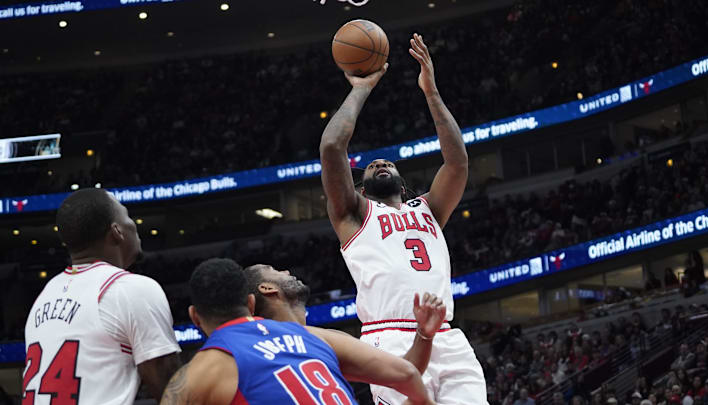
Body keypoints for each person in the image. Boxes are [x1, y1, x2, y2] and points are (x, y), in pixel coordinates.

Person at [319, 32, 485, 404]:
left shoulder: (429, 209)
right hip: (389, 337)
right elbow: (332, 147)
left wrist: (431, 92)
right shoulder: (354, 215)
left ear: (403, 183)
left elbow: (457, 162)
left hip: (446, 335)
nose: (379, 163)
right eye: (371, 166)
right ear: (360, 189)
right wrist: (362, 87)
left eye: (386, 162)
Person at [160, 258, 436, 405]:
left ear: (195, 317)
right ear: (251, 302)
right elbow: (408, 374)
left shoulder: (198, 373)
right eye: (274, 269)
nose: (286, 269)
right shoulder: (317, 338)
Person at [23, 188, 181, 404]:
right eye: (128, 216)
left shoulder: (45, 295)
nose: (134, 224)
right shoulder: (129, 288)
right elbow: (172, 392)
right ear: (117, 231)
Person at [244, 264, 446, 375]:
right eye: (275, 271)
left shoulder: (328, 340)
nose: (286, 271)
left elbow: (405, 371)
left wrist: (424, 335)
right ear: (267, 288)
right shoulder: (252, 350)